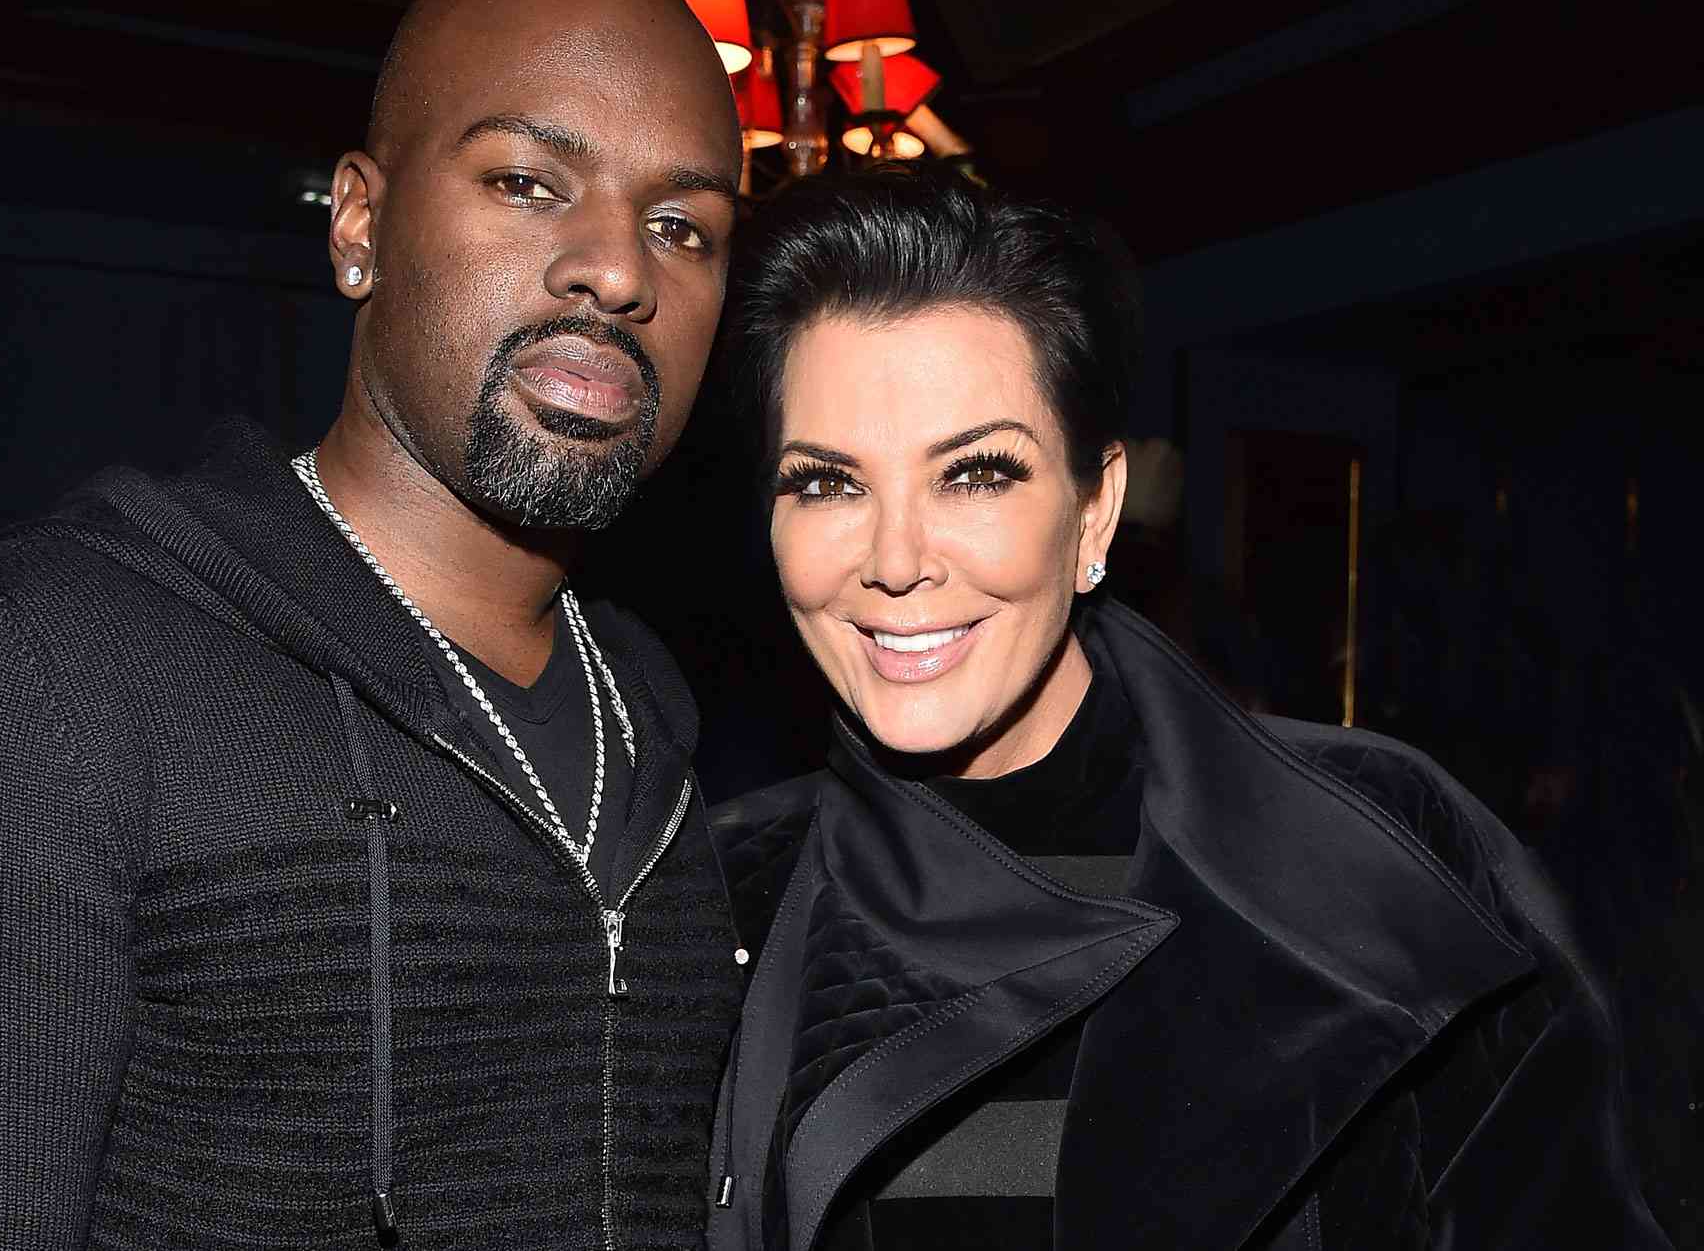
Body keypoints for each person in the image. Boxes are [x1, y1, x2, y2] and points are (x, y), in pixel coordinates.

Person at [0, 0, 748, 1250]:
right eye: (526, 181)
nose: (620, 268)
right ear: (358, 226)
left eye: (686, 227)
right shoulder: (31, 675)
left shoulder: (652, 712)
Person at [703, 167, 1670, 1251]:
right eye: (827, 483)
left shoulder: (1385, 850)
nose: (892, 560)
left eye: (973, 474)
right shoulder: (724, 892)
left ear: (1094, 510)